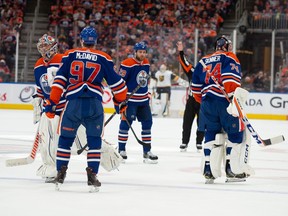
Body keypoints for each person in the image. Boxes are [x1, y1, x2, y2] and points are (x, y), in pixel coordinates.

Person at [44, 26, 127, 192]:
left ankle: (60, 173)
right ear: (95, 41)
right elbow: (118, 85)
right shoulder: (104, 57)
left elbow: (59, 81)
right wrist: (120, 103)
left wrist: (52, 102)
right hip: (94, 105)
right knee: (94, 141)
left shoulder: (69, 55)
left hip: (73, 104)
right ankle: (92, 176)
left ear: (81, 40)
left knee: (65, 140)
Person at [192, 36, 254, 183]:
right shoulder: (229, 57)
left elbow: (195, 88)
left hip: (207, 103)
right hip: (225, 102)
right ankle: (232, 170)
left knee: (211, 133)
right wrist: (234, 99)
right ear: (226, 46)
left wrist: (206, 101)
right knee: (236, 133)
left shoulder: (203, 61)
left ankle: (209, 169)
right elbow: (230, 81)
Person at [117, 41, 158, 164]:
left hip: (143, 101)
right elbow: (120, 82)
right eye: (140, 52)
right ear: (135, 52)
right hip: (130, 101)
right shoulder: (127, 64)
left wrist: (147, 93)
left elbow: (144, 80)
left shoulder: (146, 63)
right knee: (125, 125)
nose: (142, 54)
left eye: (144, 52)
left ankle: (147, 151)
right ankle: (121, 150)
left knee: (147, 124)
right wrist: (121, 99)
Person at [32, 34, 65, 183]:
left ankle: (106, 154)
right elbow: (40, 88)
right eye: (42, 46)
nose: (42, 48)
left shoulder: (62, 60)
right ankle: (51, 168)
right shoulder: (38, 64)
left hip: (65, 107)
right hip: (48, 108)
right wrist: (37, 100)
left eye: (45, 46)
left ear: (52, 47)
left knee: (80, 140)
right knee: (47, 139)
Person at [176, 41, 204, 152]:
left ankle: (199, 142)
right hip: (191, 100)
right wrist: (181, 51)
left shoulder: (209, 75)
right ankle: (184, 142)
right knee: (187, 121)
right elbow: (184, 62)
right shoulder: (193, 71)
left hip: (202, 101)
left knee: (201, 123)